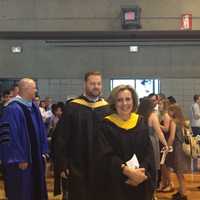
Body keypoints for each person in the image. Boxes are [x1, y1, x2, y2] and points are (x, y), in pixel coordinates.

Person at [53, 71, 110, 200]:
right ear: (85, 84)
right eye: (92, 83)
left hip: (101, 165)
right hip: (77, 165)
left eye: (99, 84)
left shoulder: (107, 108)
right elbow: (61, 138)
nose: (96, 86)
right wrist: (63, 163)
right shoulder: (72, 107)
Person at [95, 85, 155, 200]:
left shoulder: (140, 122)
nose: (124, 103)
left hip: (140, 179)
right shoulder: (106, 125)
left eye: (128, 99)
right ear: (114, 103)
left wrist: (140, 173)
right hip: (116, 182)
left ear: (133, 101)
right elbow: (105, 154)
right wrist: (126, 171)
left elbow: (148, 152)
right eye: (120, 100)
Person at [0, 78, 49, 200]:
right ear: (26, 89)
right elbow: (10, 137)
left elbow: (41, 131)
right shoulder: (12, 109)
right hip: (22, 163)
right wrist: (19, 158)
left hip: (35, 159)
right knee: (22, 192)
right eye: (34, 88)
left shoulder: (33, 107)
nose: (36, 90)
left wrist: (43, 152)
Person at [167, 104, 190, 200]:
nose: (168, 113)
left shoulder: (173, 122)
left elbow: (172, 137)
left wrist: (167, 147)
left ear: (173, 111)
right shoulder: (183, 121)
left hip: (177, 149)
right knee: (180, 172)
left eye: (169, 111)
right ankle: (181, 191)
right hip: (183, 149)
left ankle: (183, 194)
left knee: (178, 172)